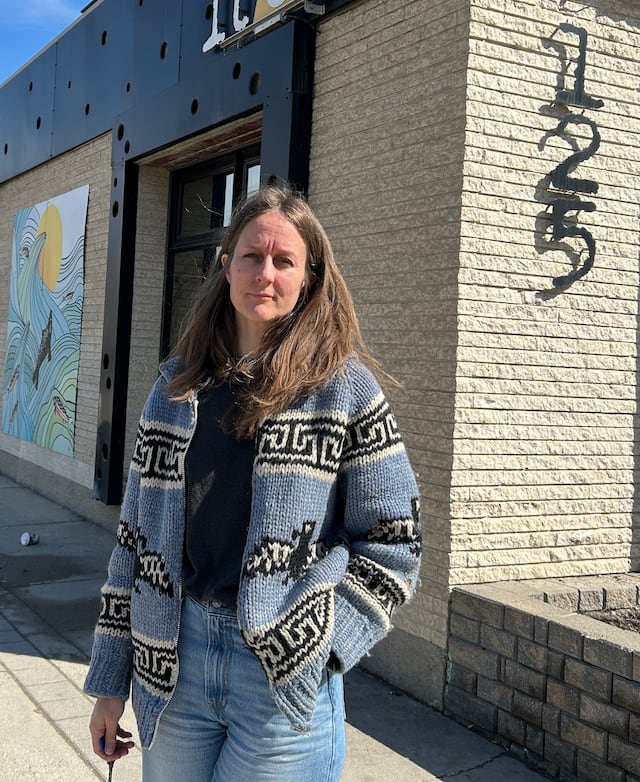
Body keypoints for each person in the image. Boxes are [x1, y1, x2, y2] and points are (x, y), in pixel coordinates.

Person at [85, 185, 422, 781]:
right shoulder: (174, 387)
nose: (264, 273)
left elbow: (394, 542)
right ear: (226, 265)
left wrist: (322, 646)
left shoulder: (344, 392)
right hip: (173, 662)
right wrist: (112, 679)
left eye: (284, 260)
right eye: (251, 256)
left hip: (279, 676)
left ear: (310, 278)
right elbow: (133, 543)